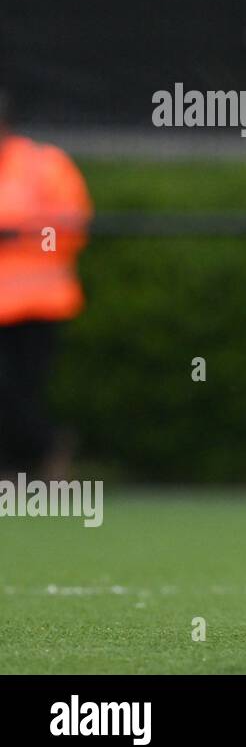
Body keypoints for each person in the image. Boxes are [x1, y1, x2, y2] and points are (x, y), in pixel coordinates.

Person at [0, 90, 93, 476]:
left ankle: (40, 452)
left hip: (39, 303)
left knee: (19, 390)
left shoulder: (44, 164)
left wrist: (16, 233)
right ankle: (29, 457)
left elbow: (73, 223)